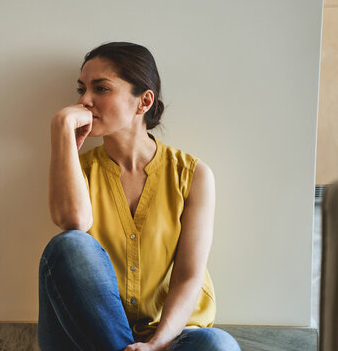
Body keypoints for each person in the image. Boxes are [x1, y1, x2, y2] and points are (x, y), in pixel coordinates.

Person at [38, 42, 241, 351]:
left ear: (143, 101)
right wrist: (61, 132)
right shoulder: (79, 171)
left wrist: (157, 345)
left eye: (101, 89)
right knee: (68, 245)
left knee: (217, 345)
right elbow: (74, 222)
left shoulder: (192, 175)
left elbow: (189, 276)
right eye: (82, 89)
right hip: (87, 336)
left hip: (170, 335)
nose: (84, 101)